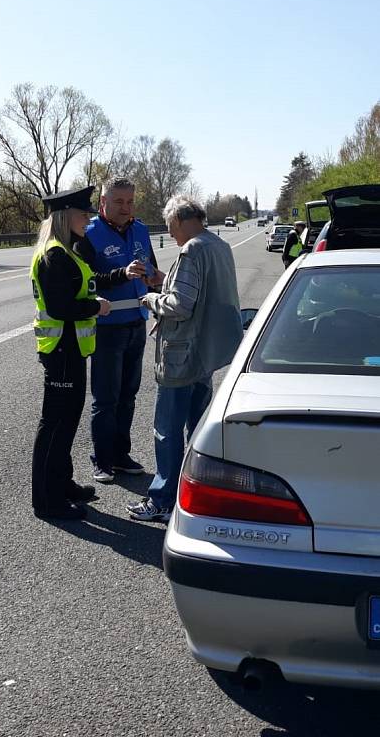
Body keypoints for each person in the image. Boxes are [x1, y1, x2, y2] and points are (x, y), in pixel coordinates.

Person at [30, 186, 145, 520]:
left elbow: (91, 281)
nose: (88, 220)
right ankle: (47, 501)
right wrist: (95, 307)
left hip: (71, 349)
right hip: (61, 349)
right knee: (55, 425)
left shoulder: (68, 251)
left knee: (66, 423)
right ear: (67, 217)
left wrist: (120, 276)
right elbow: (62, 305)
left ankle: (62, 484)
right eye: (83, 215)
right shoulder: (54, 255)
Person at [126, 196, 243, 522]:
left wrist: (150, 298)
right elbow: (200, 291)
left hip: (181, 354)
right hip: (206, 353)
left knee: (167, 429)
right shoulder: (217, 246)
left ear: (178, 221)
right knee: (197, 429)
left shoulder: (191, 250)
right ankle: (193, 493)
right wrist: (165, 280)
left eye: (169, 228)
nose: (171, 234)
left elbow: (179, 306)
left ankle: (162, 500)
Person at [75, 177, 159, 484]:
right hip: (107, 327)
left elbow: (150, 266)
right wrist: (121, 274)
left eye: (130, 202)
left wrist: (155, 280)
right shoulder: (89, 233)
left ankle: (121, 454)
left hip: (138, 322)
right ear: (103, 204)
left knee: (128, 394)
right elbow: (86, 279)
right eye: (118, 202)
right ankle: (102, 458)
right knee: (106, 398)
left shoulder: (140, 229)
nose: (126, 208)